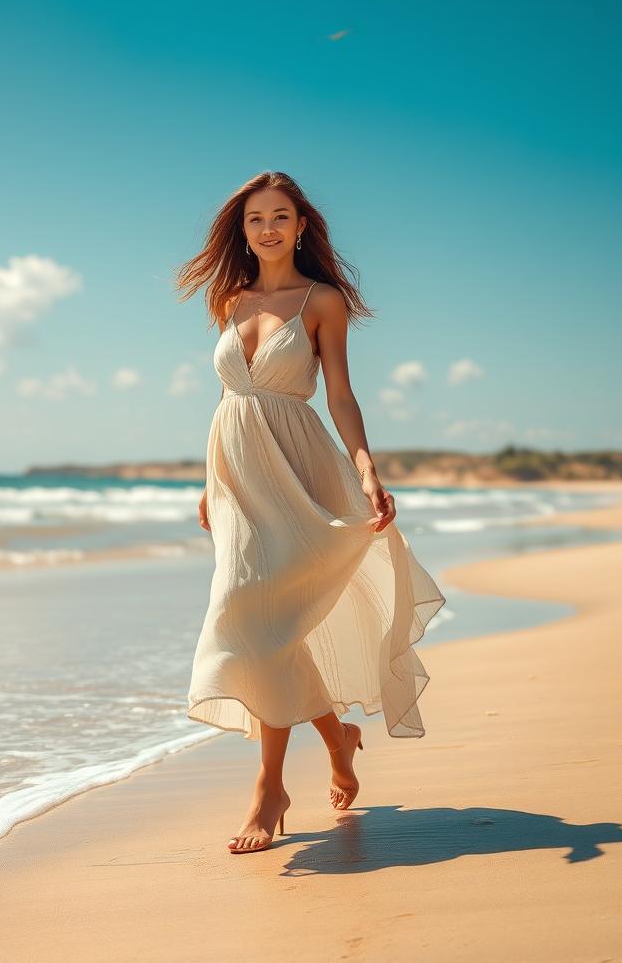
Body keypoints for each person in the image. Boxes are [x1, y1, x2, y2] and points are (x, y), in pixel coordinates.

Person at [175, 171, 446, 854]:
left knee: (270, 625)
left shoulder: (322, 301)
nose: (268, 228)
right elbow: (229, 402)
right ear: (243, 230)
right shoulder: (229, 299)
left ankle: (270, 788)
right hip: (238, 479)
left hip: (299, 473)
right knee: (253, 618)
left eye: (281, 216)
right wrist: (211, 483)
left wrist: (367, 469)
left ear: (301, 226)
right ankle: (334, 737)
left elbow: (341, 396)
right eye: (256, 218)